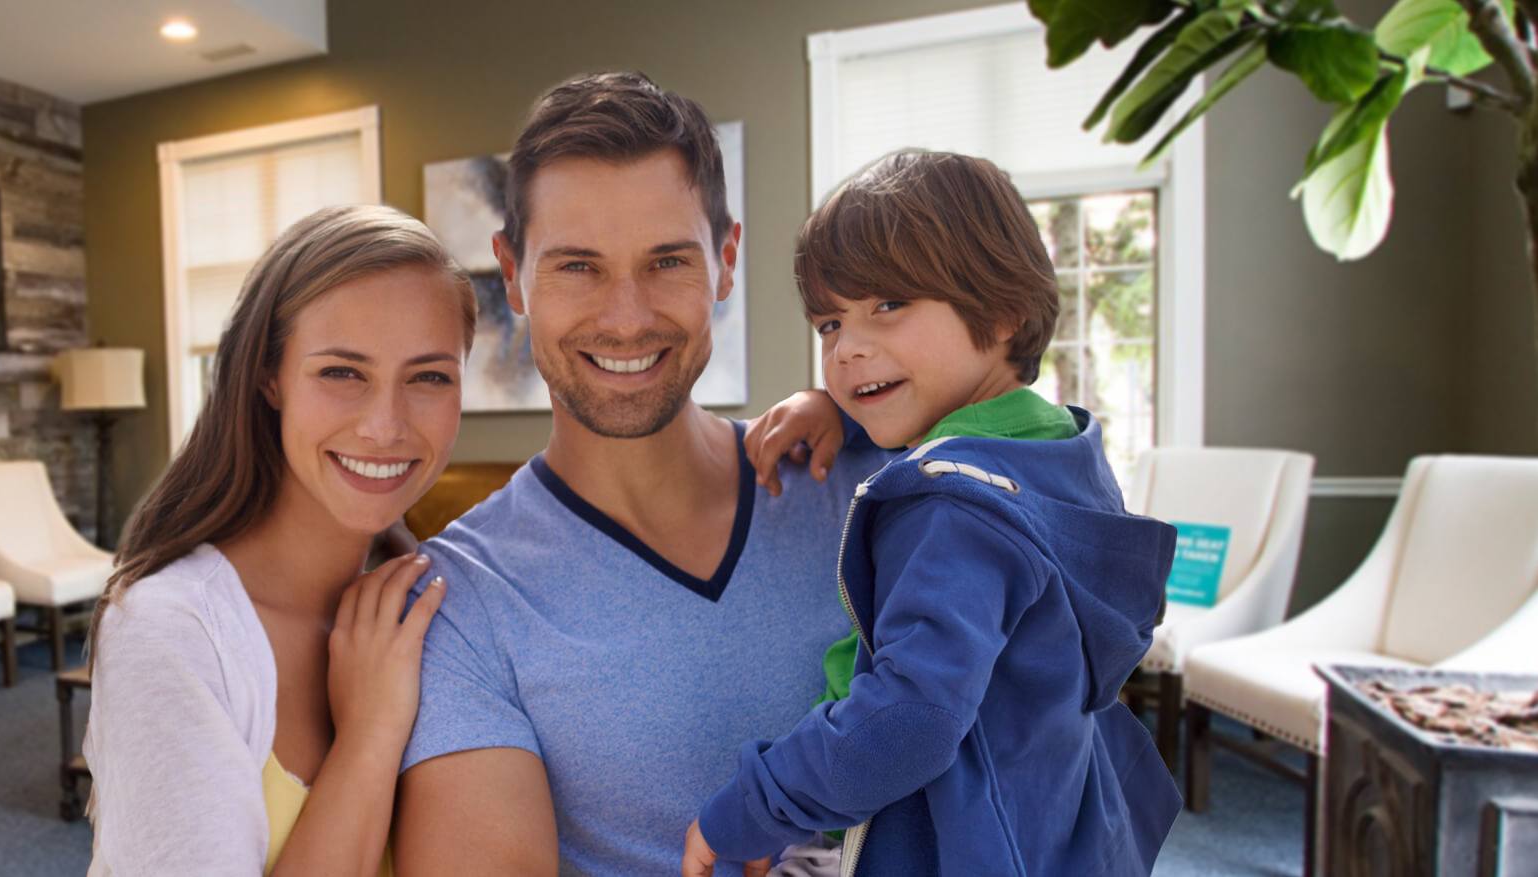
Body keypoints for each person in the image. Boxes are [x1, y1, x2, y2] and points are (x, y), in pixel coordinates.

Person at [390, 71, 888, 876]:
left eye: (666, 261)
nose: (626, 316)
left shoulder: (867, 486)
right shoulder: (460, 601)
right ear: (512, 274)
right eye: (578, 267)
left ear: (726, 262)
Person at [680, 150, 1183, 876]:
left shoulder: (950, 510)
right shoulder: (1060, 444)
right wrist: (842, 416)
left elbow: (910, 716)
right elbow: (973, 431)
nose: (850, 348)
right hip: (1060, 814)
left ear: (1005, 309)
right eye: (829, 323)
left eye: (889, 305)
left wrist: (754, 808)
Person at [83, 204, 478, 875]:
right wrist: (371, 730)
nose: (385, 426)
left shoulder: (437, 600)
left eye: (429, 376)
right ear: (270, 376)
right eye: (342, 372)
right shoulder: (171, 632)